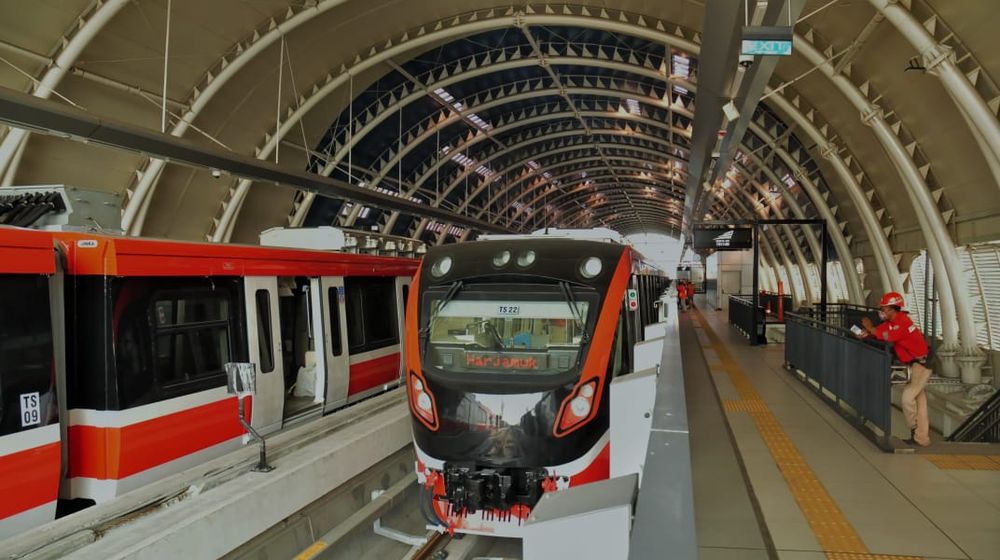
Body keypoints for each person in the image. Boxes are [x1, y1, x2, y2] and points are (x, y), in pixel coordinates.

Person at [857, 292, 932, 447]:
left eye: (883, 309)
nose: (881, 312)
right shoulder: (891, 323)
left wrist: (871, 328)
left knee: (907, 398)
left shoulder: (902, 321)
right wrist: (866, 334)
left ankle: (914, 429)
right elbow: (880, 333)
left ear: (892, 309)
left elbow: (888, 336)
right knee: (920, 401)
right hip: (913, 364)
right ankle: (921, 438)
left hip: (921, 365)